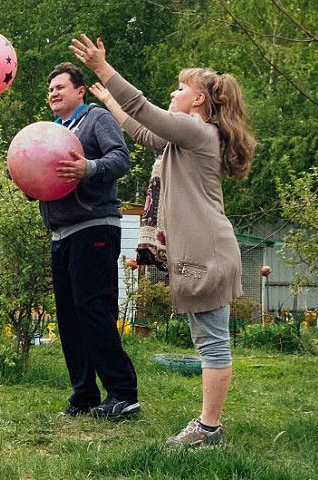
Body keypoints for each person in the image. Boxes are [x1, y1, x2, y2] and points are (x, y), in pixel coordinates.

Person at [71, 34, 256, 447]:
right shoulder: (186, 139)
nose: (174, 92)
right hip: (206, 248)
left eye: (181, 88)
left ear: (198, 102)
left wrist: (103, 67)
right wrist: (110, 102)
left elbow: (144, 110)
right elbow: (142, 130)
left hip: (207, 252)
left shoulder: (195, 131)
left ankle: (208, 428)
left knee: (212, 342)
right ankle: (209, 425)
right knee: (209, 338)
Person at [42, 62, 140, 420]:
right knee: (69, 316)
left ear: (79, 92)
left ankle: (123, 393)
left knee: (93, 308)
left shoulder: (95, 119)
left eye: (60, 87)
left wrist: (88, 168)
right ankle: (83, 394)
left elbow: (120, 159)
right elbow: (47, 181)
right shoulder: (51, 131)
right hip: (60, 232)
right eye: (50, 88)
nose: (53, 92)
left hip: (95, 226)